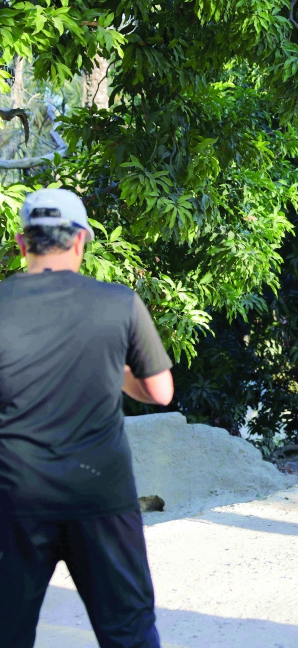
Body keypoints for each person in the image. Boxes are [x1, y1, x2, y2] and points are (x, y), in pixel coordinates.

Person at [1, 189, 174, 648]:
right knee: (128, 633)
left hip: (14, 498)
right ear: (80, 241)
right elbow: (160, 391)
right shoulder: (119, 302)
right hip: (101, 494)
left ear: (22, 244)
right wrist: (115, 372)